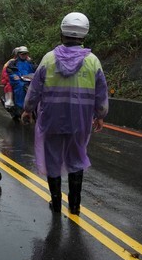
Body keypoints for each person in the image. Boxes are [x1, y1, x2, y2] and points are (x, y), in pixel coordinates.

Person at [21, 12, 109, 215]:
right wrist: (100, 114)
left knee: (53, 159)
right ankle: (75, 206)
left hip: (52, 119)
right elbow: (101, 91)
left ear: (62, 33)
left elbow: (34, 89)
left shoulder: (48, 59)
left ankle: (56, 203)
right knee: (76, 158)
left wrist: (27, 110)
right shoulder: (93, 61)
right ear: (84, 35)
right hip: (80, 121)